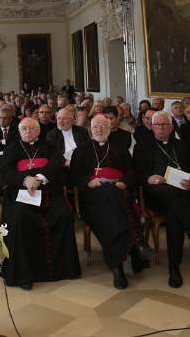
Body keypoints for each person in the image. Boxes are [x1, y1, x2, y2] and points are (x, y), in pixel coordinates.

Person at [135, 112, 190, 288]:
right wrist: (149, 179)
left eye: (165, 125)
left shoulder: (182, 146)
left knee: (175, 211)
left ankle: (174, 269)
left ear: (172, 127)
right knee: (176, 200)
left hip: (180, 194)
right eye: (157, 125)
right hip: (155, 195)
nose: (161, 128)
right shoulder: (142, 147)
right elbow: (137, 175)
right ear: (151, 127)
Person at [0, 117, 81, 290]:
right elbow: (4, 172)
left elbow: (57, 163)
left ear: (38, 131)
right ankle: (24, 274)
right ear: (19, 131)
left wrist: (39, 178)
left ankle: (63, 269)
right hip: (20, 194)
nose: (28, 132)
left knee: (64, 214)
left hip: (48, 192)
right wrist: (24, 179)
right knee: (20, 217)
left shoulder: (50, 147)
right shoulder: (12, 148)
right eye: (24, 129)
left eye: (32, 128)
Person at [70, 114, 140, 289]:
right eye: (95, 127)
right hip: (93, 199)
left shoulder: (120, 148)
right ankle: (136, 245)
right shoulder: (81, 150)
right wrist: (88, 182)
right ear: (90, 130)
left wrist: (125, 182)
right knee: (113, 203)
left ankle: (118, 268)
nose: (99, 130)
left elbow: (132, 172)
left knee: (112, 212)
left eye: (103, 127)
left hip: (118, 194)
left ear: (110, 129)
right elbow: (73, 176)